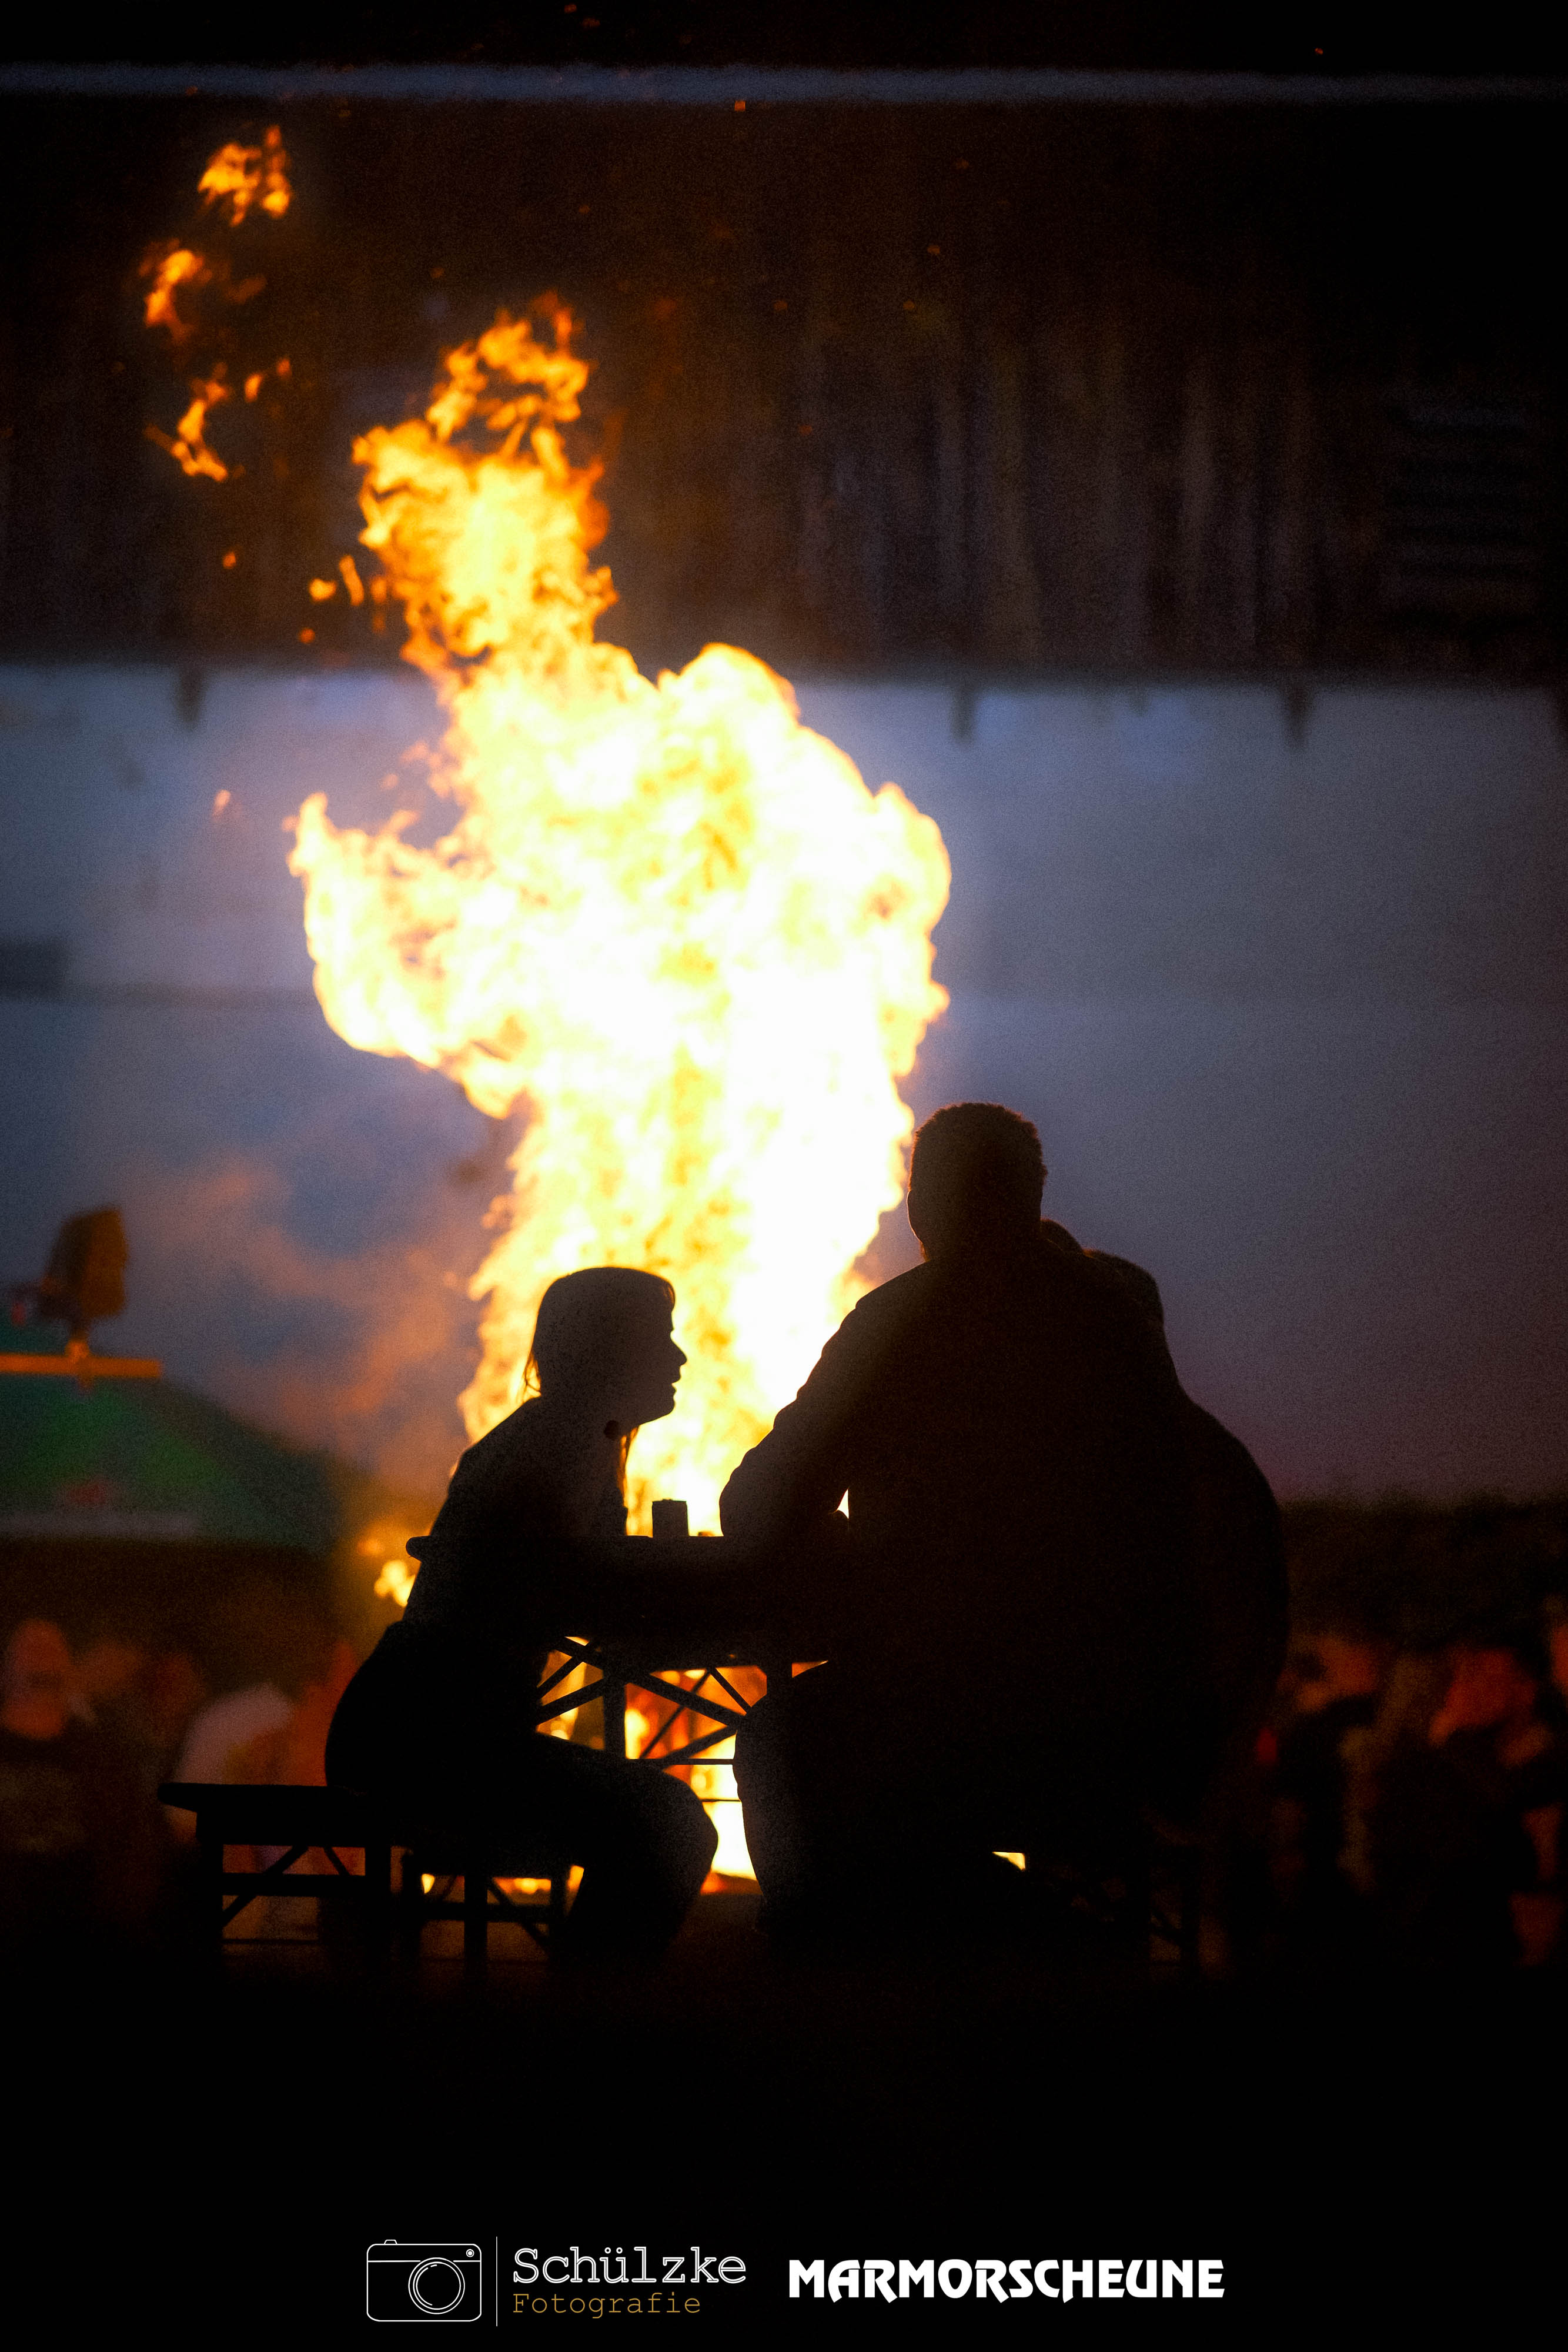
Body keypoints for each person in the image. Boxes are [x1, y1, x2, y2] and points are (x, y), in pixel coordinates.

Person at [722, 1101, 1208, 1935]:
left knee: (784, 1745)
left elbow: (761, 1502)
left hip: (937, 1708)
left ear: (923, 1202)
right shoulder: (1117, 1324)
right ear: (1034, 1195)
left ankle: (924, 1934)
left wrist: (844, 1550)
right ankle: (1007, 1918)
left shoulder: (901, 1322)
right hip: (1125, 1721)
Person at [326, 1268, 716, 1962]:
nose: (679, 1358)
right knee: (669, 1824)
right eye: (661, 1338)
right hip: (430, 1748)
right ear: (609, 1350)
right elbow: (588, 1591)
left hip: (403, 1732)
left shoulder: (558, 1436)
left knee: (661, 1819)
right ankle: (588, 2009)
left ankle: (583, 2000)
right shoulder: (566, 1445)